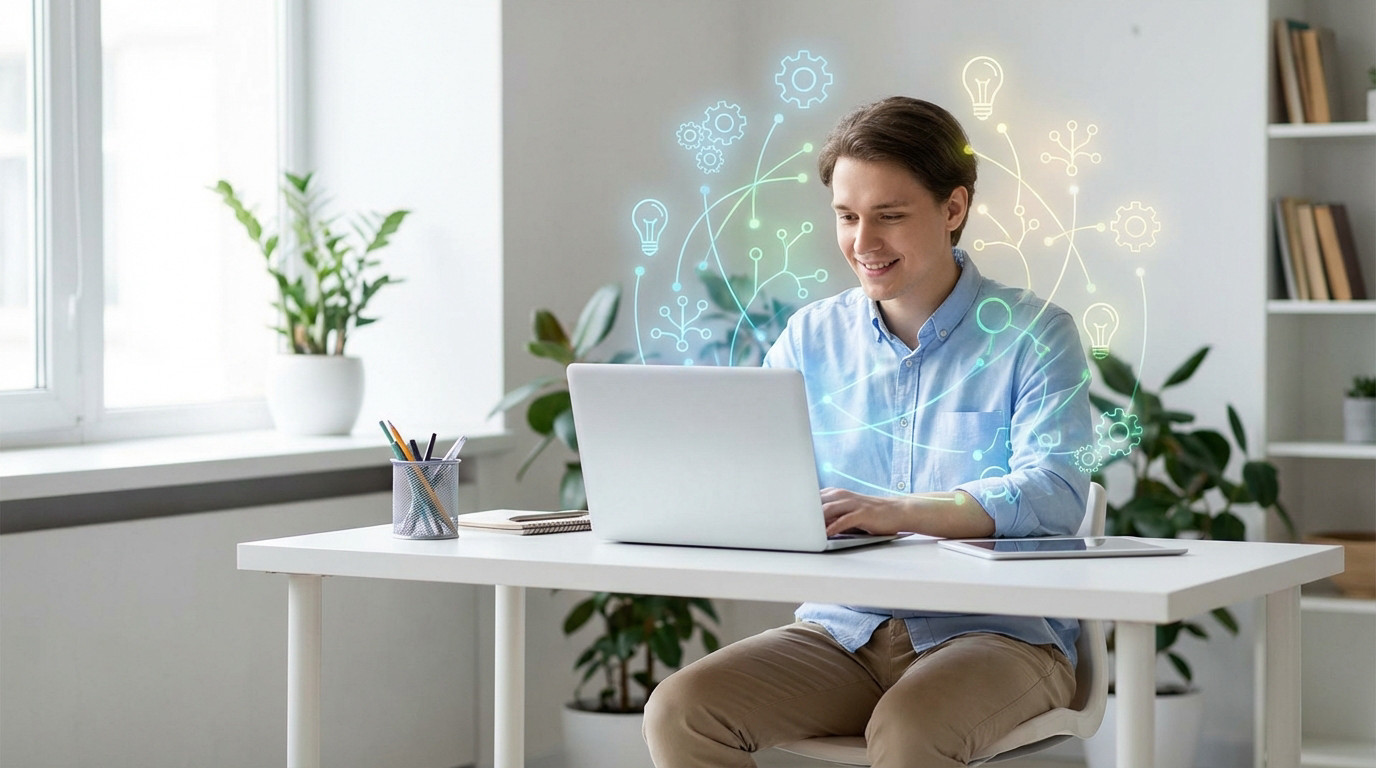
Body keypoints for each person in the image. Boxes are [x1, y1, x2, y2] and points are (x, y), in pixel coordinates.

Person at [641, 96, 1095, 767]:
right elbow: (756, 476)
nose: (862, 242)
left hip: (1000, 635)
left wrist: (897, 511)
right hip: (843, 631)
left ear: (953, 209)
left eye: (889, 216)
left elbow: (1056, 493)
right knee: (682, 711)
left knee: (910, 729)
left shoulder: (1035, 333)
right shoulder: (810, 337)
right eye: (847, 217)